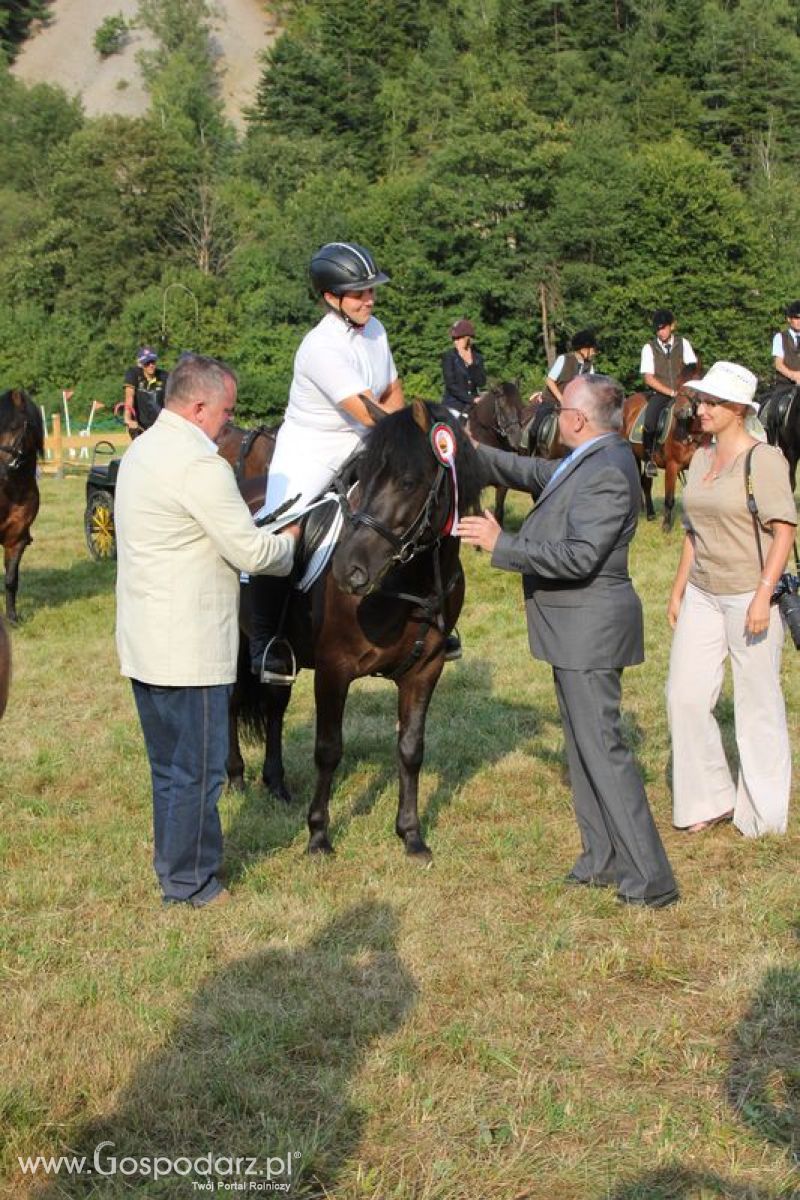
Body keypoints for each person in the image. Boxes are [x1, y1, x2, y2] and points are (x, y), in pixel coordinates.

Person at [458, 373, 679, 908]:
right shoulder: (595, 456)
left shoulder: (604, 470)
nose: (555, 419)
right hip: (576, 631)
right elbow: (537, 471)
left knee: (603, 751)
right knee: (582, 750)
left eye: (561, 411)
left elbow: (581, 556)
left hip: (590, 631)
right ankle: (601, 860)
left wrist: (501, 543)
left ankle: (651, 881)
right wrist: (472, 452)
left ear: (576, 420)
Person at [114, 353, 299, 908]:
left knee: (169, 769)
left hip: (146, 642)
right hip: (188, 650)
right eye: (225, 412)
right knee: (197, 771)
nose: (228, 423)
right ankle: (192, 883)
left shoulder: (142, 450)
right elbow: (247, 548)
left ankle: (176, 871)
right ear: (198, 408)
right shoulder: (200, 465)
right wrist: (289, 541)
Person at [249, 241, 412, 684]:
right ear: (330, 298)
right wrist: (399, 434)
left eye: (371, 291)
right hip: (312, 450)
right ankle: (268, 642)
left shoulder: (376, 330)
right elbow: (365, 408)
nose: (369, 299)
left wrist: (403, 438)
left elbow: (393, 390)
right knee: (278, 531)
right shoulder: (319, 347)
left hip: (366, 443)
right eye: (359, 293)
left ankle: (427, 622)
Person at [666, 361, 796, 837]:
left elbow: (784, 531)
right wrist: (679, 590)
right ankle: (709, 797)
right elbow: (692, 532)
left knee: (757, 702)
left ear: (737, 410)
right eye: (701, 400)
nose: (700, 409)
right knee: (684, 695)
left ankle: (763, 815)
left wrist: (764, 596)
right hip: (703, 592)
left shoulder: (765, 460)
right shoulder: (700, 457)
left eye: (711, 402)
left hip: (750, 593)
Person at [639, 308, 697, 478]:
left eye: (663, 328)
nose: (661, 332)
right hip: (662, 393)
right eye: (658, 329)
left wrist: (686, 390)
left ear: (672, 326)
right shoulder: (648, 348)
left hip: (685, 393)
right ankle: (649, 458)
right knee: (650, 421)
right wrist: (671, 392)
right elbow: (648, 378)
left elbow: (692, 369)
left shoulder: (683, 343)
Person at [441, 318, 487, 419]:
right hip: (454, 405)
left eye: (458, 339)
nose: (455, 342)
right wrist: (471, 399)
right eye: (454, 339)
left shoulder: (478, 358)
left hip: (474, 406)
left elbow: (481, 382)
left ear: (468, 339)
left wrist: (471, 364)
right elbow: (451, 385)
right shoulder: (449, 357)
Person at [542, 329, 598, 405]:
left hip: (574, 405)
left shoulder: (589, 366)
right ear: (583, 349)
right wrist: (561, 399)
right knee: (543, 416)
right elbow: (549, 381)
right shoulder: (563, 359)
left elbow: (590, 388)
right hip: (552, 402)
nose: (594, 353)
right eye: (593, 350)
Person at [123, 346, 169, 438]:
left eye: (153, 362)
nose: (151, 365)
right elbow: (129, 397)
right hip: (139, 426)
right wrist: (127, 419)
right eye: (147, 363)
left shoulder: (165, 376)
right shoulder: (133, 374)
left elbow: (171, 401)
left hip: (160, 426)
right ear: (140, 364)